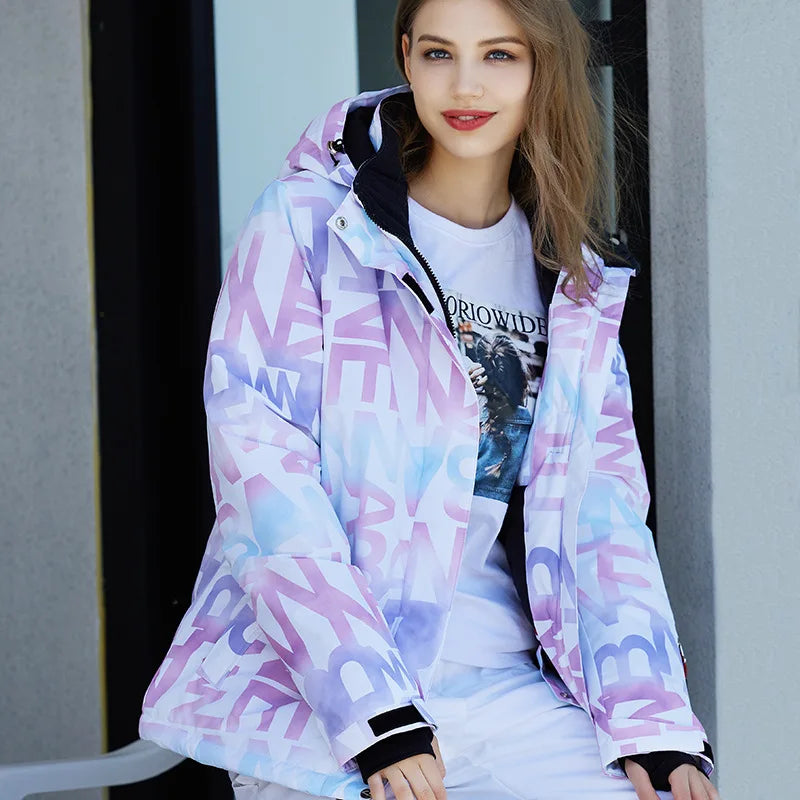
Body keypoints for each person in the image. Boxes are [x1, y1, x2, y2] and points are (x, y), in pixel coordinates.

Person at [139, 1, 720, 799]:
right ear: (407, 56)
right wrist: (377, 713)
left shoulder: (574, 282)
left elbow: (605, 520)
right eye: (441, 53)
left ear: (542, 67)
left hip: (511, 690)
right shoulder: (311, 225)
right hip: (325, 708)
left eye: (500, 55)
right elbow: (263, 478)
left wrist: (652, 722)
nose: (466, 84)